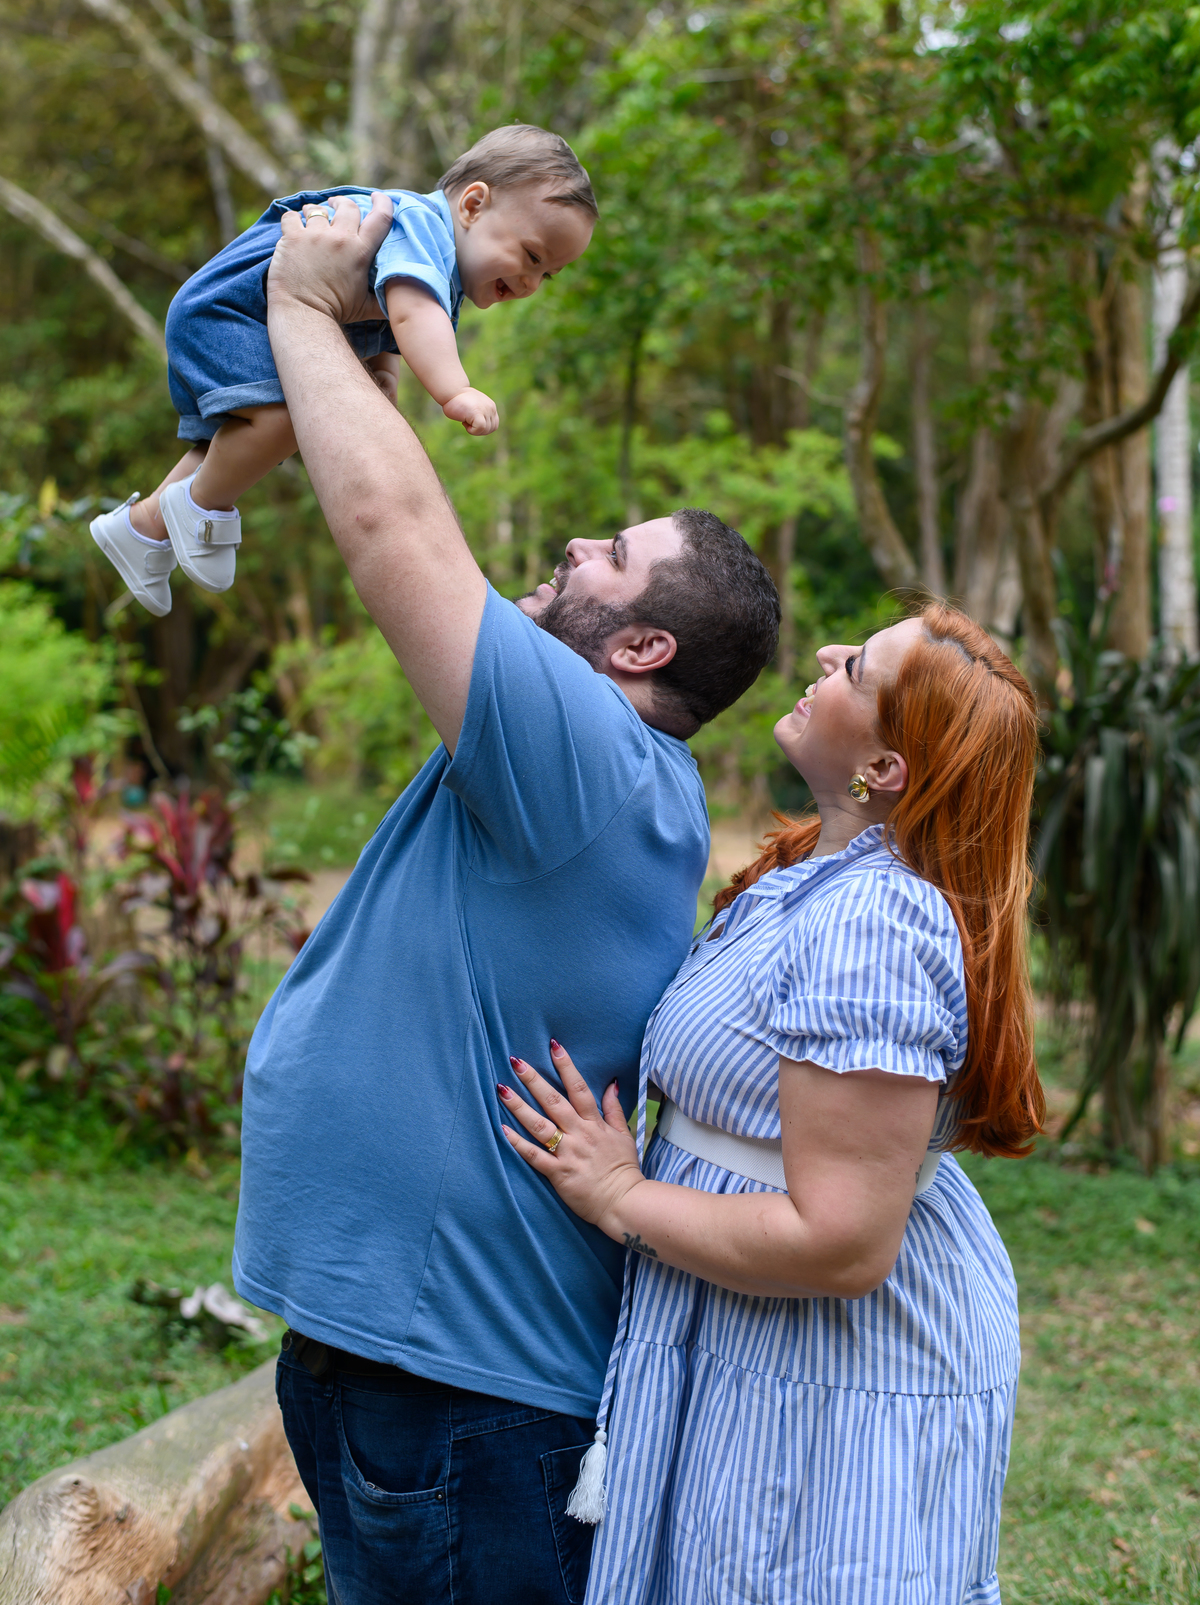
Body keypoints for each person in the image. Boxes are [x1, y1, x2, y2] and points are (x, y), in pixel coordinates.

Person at [228, 192, 781, 1605]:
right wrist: (352, 351)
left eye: (610, 556)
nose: (575, 548)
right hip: (404, 1370)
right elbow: (389, 496)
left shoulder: (592, 759)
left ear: (641, 645)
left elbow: (392, 524)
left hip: (464, 1403)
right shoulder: (579, 766)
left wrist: (298, 305)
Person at [500, 605, 1045, 1605]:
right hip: (752, 1321)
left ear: (884, 769)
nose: (826, 656)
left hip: (830, 1350)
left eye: (858, 669)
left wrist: (619, 1195)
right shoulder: (817, 878)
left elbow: (841, 1243)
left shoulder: (874, 922)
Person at [88, 124, 596, 614]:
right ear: (472, 205)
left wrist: (384, 373)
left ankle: (141, 529)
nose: (531, 282)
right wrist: (455, 390)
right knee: (286, 418)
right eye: (531, 256)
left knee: (237, 441)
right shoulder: (422, 227)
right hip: (231, 310)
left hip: (242, 315)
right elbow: (412, 314)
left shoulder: (436, 259)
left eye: (547, 274)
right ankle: (202, 506)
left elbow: (387, 315)